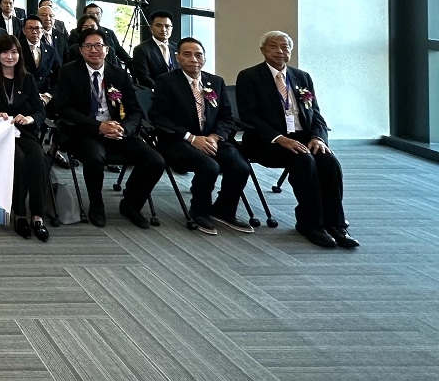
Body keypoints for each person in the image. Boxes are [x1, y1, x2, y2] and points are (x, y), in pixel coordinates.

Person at [236, 31, 356, 248]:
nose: (279, 51)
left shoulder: (302, 77)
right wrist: (279, 138)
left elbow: (316, 113)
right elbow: (249, 116)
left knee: (329, 162)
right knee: (304, 161)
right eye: (273, 46)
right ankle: (310, 223)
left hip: (303, 138)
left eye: (285, 47)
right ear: (263, 50)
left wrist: (318, 137)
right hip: (267, 141)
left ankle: (335, 223)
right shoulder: (249, 76)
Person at [47, 31, 158, 228]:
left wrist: (124, 129)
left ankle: (131, 204)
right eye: (88, 46)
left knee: (155, 161)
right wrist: (98, 126)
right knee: (95, 157)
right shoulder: (68, 72)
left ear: (107, 49)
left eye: (98, 45)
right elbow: (63, 108)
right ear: (81, 50)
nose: (94, 50)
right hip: (83, 131)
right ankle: (96, 203)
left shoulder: (119, 74)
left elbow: (134, 111)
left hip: (117, 131)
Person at [147, 37, 252, 235]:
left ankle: (223, 210)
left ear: (204, 58)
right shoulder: (166, 81)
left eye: (198, 55)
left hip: (211, 139)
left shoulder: (215, 82)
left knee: (240, 167)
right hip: (178, 140)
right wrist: (191, 138)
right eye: (187, 54)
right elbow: (158, 117)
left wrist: (215, 137)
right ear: (178, 57)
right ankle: (199, 211)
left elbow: (226, 116)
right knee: (209, 166)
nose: (193, 59)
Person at [0, 35, 50, 241]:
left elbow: (40, 111)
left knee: (38, 158)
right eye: (5, 52)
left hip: (23, 131)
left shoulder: (27, 78)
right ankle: (19, 214)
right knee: (18, 159)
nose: (9, 56)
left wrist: (30, 118)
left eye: (14, 52)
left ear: (19, 54)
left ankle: (37, 216)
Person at [131, 10, 177, 89]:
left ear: (171, 28)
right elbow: (143, 77)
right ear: (151, 28)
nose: (163, 29)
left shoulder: (177, 47)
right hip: (155, 91)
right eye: (159, 26)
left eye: (167, 26)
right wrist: (162, 90)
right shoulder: (141, 49)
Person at [82, 3, 133, 70]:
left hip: (112, 66)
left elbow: (119, 50)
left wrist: (131, 61)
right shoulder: (76, 33)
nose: (95, 16)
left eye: (97, 13)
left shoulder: (109, 32)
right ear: (85, 15)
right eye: (91, 13)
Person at [20, 15, 60, 101]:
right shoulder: (17, 48)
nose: (34, 32)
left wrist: (49, 95)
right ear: (24, 31)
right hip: (23, 94)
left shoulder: (51, 50)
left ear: (42, 30)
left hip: (45, 94)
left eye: (37, 28)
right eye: (30, 28)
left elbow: (59, 75)